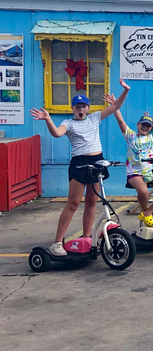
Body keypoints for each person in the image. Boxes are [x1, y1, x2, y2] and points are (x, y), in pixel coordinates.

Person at [29, 80, 130, 257]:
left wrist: (125, 90)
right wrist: (48, 119)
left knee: (92, 201)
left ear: (88, 108)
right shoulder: (69, 123)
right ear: (73, 108)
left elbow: (116, 107)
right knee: (74, 202)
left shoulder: (94, 117)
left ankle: (86, 237)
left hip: (97, 161)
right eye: (78, 107)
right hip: (80, 163)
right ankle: (58, 242)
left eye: (84, 106)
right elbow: (57, 133)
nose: (81, 110)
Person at [106, 93, 153, 227]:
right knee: (143, 191)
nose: (145, 127)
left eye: (148, 126)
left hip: (150, 171)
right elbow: (120, 121)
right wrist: (114, 106)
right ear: (138, 124)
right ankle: (145, 209)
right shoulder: (130, 136)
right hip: (134, 172)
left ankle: (148, 212)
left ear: (151, 128)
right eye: (143, 125)